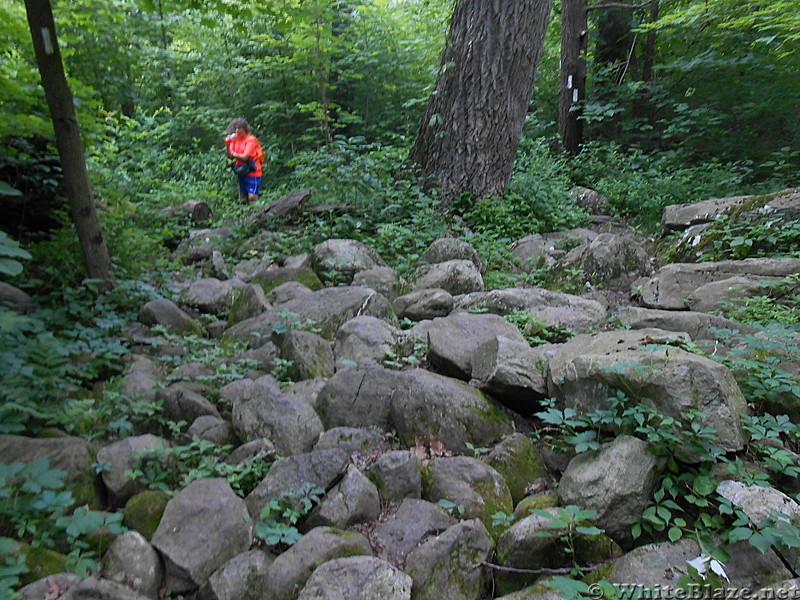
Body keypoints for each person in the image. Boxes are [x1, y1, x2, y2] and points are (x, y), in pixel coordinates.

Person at [224, 118, 263, 204]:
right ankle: (249, 214)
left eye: (239, 128)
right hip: (242, 170)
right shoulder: (235, 140)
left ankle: (257, 212)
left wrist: (233, 154)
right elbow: (230, 156)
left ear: (244, 129)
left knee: (252, 196)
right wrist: (228, 144)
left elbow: (245, 157)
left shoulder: (251, 140)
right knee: (246, 196)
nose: (237, 131)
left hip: (253, 170)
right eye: (236, 129)